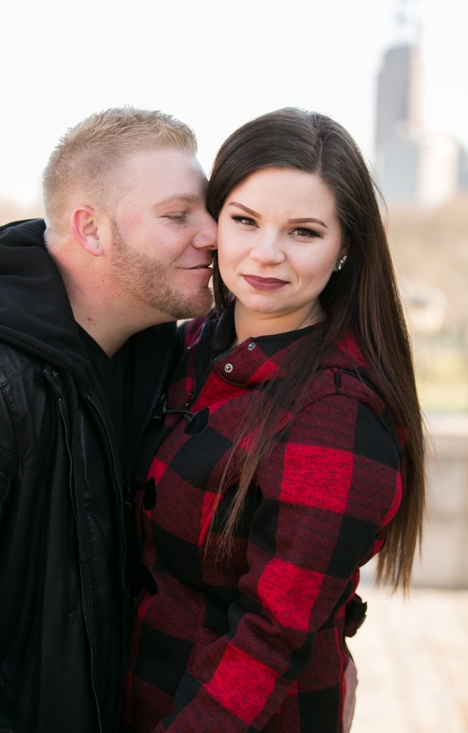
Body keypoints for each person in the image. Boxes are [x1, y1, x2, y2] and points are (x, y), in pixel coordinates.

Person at [123, 109, 426, 732]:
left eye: (304, 232)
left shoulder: (335, 416)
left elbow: (270, 638)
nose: (267, 254)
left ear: (345, 249)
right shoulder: (188, 347)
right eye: (245, 221)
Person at [0, 107, 217, 733]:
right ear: (91, 229)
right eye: (178, 215)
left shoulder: (171, 359)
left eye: (210, 211)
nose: (215, 234)